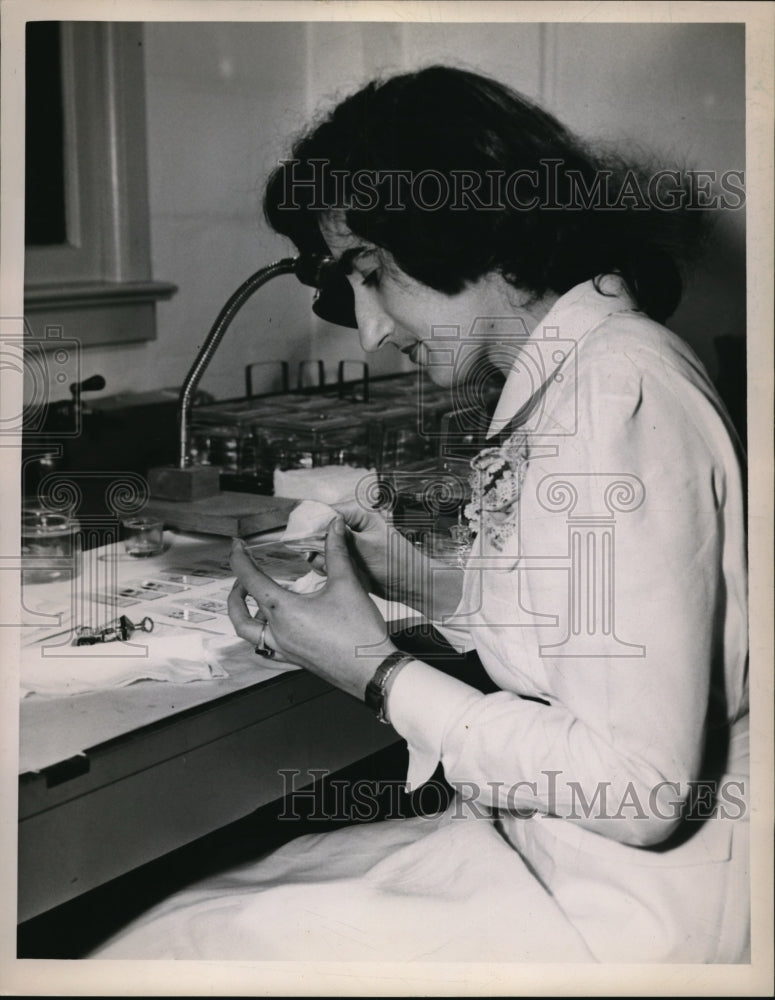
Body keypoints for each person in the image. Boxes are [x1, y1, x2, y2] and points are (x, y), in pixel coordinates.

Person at [93, 66, 748, 962]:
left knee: (167, 945)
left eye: (372, 274)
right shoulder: (586, 369)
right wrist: (426, 583)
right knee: (198, 920)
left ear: (467, 231)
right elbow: (592, 638)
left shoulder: (614, 395)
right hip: (545, 855)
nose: (368, 331)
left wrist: (373, 672)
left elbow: (638, 792)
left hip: (622, 915)